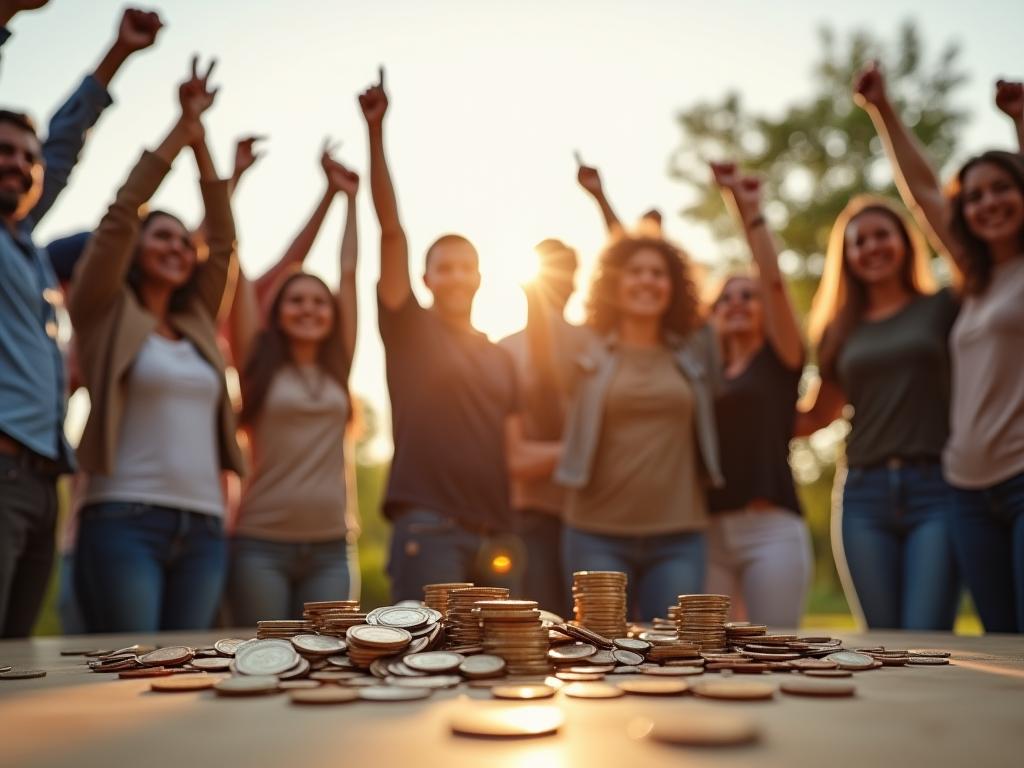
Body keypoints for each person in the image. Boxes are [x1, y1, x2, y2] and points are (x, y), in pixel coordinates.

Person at [357, 68, 560, 600]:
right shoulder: (410, 329)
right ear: (426, 279)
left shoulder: (500, 359)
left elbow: (515, 455)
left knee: (498, 670)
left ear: (479, 277)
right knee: (423, 668)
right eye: (442, 267)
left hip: (497, 535)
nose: (454, 275)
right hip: (429, 529)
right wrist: (376, 134)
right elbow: (392, 231)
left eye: (464, 266)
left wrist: (588, 444)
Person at [0, 2, 161, 637]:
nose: (20, 164)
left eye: (27, 159)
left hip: (42, 479)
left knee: (12, 661)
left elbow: (62, 148)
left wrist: (117, 55)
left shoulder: (30, 250)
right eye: (4, 152)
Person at [69, 58, 243, 633]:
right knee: (131, 676)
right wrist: (177, 129)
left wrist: (202, 140)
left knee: (186, 682)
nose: (175, 247)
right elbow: (122, 213)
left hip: (203, 527)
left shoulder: (197, 321)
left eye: (180, 240)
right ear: (136, 251)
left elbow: (222, 242)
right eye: (159, 236)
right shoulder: (103, 311)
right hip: (123, 518)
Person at [856, 62, 1024, 632]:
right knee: (1000, 640)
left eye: (1003, 188)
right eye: (974, 196)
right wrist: (883, 109)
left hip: (1022, 478)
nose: (987, 204)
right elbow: (925, 193)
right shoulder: (971, 285)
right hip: (968, 489)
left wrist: (1022, 123)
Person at [797, 187, 959, 630]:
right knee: (883, 643)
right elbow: (818, 415)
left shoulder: (944, 306)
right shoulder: (839, 329)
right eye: (859, 241)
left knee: (928, 637)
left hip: (937, 489)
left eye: (881, 235)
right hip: (863, 495)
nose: (872, 247)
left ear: (905, 241)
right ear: (846, 256)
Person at [225, 143, 361, 624]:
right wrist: (232, 182)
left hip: (331, 547)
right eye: (295, 301)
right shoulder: (256, 366)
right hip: (261, 546)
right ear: (276, 313)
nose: (308, 309)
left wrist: (348, 200)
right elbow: (233, 267)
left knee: (332, 667)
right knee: (262, 663)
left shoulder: (338, 369)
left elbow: (348, 272)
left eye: (318, 302)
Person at [704, 162, 812, 629]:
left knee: (774, 648)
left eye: (747, 297)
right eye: (726, 298)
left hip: (771, 530)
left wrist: (747, 210)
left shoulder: (779, 361)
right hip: (707, 533)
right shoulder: (703, 373)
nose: (738, 304)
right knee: (707, 657)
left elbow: (773, 280)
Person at [499, 239, 578, 615]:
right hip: (528, 515)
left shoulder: (589, 344)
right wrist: (585, 449)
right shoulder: (507, 351)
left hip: (587, 516)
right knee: (537, 623)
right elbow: (513, 458)